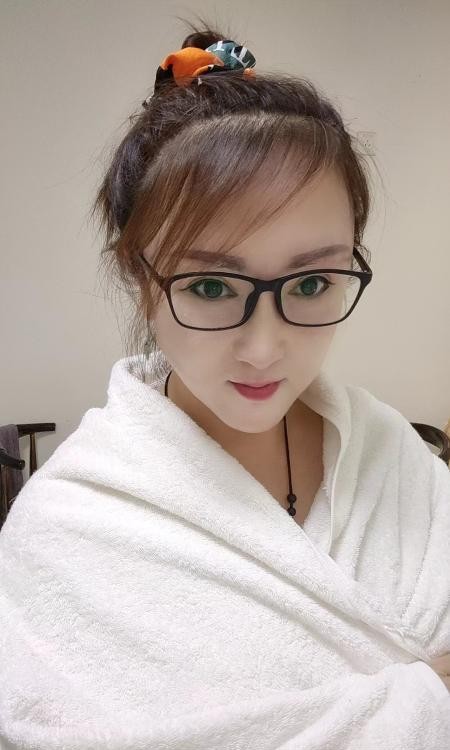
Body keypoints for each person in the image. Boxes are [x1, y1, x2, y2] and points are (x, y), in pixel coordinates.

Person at [1, 17, 449, 750]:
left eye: (312, 282)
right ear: (137, 279)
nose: (264, 350)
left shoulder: (390, 455)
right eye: (210, 286)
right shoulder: (64, 532)